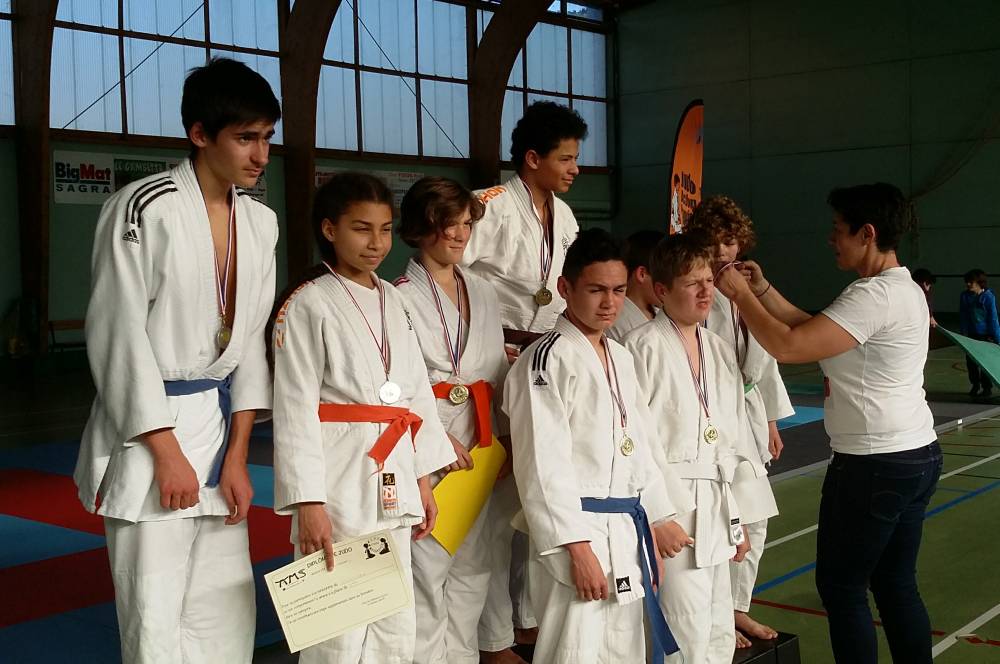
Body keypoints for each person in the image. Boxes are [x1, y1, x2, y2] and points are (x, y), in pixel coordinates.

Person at [73, 57, 279, 664]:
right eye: (245, 137)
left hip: (218, 429)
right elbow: (116, 336)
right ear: (199, 134)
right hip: (149, 432)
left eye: (267, 137)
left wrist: (239, 456)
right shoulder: (143, 208)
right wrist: (166, 453)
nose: (261, 155)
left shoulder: (260, 222)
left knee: (224, 609)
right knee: (155, 614)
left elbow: (251, 343)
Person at [716, 182, 942, 664]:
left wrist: (741, 296)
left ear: (867, 233)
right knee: (894, 582)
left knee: (842, 587)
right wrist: (764, 291)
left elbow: (789, 346)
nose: (831, 239)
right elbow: (815, 328)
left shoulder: (874, 295)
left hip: (874, 463)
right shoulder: (901, 289)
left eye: (838, 229)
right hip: (915, 453)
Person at [269, 173, 456, 664]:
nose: (376, 243)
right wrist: (308, 502)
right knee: (338, 627)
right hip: (339, 475)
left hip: (395, 470)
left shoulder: (393, 297)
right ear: (329, 229)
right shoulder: (307, 301)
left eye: (385, 229)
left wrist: (424, 479)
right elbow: (293, 407)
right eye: (361, 229)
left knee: (395, 621)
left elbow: (415, 392)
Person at [505, 228, 692, 663]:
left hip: (626, 527)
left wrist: (654, 523)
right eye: (596, 290)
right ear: (565, 288)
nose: (610, 302)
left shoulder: (621, 357)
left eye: (619, 290)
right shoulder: (546, 359)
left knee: (625, 650)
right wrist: (576, 547)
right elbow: (541, 464)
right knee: (574, 650)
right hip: (579, 530)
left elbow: (641, 447)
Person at [461, 100, 588, 663]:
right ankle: (491, 639)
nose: (575, 168)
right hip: (490, 360)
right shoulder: (486, 207)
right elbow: (451, 274)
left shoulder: (567, 217)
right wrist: (478, 344)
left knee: (532, 500)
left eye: (576, 158)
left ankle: (525, 617)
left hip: (544, 358)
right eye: (566, 158)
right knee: (491, 511)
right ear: (532, 159)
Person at [392, 176, 511, 664]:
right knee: (427, 568)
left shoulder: (482, 290)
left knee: (474, 567)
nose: (460, 234)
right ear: (421, 228)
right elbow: (397, 382)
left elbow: (496, 369)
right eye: (449, 224)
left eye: (465, 224)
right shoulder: (397, 295)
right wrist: (434, 440)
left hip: (480, 441)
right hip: (429, 440)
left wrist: (503, 438)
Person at [624, 232, 758, 664]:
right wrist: (658, 516)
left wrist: (739, 519)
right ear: (662, 291)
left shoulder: (719, 348)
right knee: (684, 629)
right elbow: (636, 442)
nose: (706, 292)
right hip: (673, 502)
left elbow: (735, 439)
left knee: (719, 628)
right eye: (691, 283)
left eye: (709, 281)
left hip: (717, 499)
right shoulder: (640, 347)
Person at [685, 195, 794, 648]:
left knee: (756, 520)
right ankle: (716, 613)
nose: (723, 252)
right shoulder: (698, 290)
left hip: (746, 411)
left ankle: (736, 607)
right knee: (719, 518)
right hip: (711, 414)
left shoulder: (745, 291)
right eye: (714, 242)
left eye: (730, 242)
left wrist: (770, 420)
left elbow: (767, 358)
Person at [606, 229, 665, 342]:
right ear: (642, 274)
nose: (671, 284)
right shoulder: (615, 321)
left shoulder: (660, 314)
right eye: (666, 276)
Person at [959, 268, 1000, 397]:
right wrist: (963, 334)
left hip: (986, 336)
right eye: (967, 282)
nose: (968, 284)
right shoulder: (965, 296)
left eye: (971, 282)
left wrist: (997, 338)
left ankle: (987, 388)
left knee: (985, 363)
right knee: (971, 362)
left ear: (979, 283)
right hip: (971, 335)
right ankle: (975, 384)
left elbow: (993, 319)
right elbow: (963, 316)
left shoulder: (988, 297)